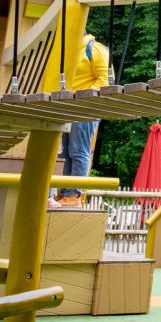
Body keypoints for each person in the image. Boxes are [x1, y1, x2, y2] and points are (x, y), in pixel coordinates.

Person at [55, 31, 111, 203]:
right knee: (66, 153)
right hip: (70, 107)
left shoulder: (95, 49)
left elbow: (104, 81)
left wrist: (80, 97)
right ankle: (65, 193)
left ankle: (74, 194)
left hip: (87, 106)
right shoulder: (72, 51)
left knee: (79, 151)